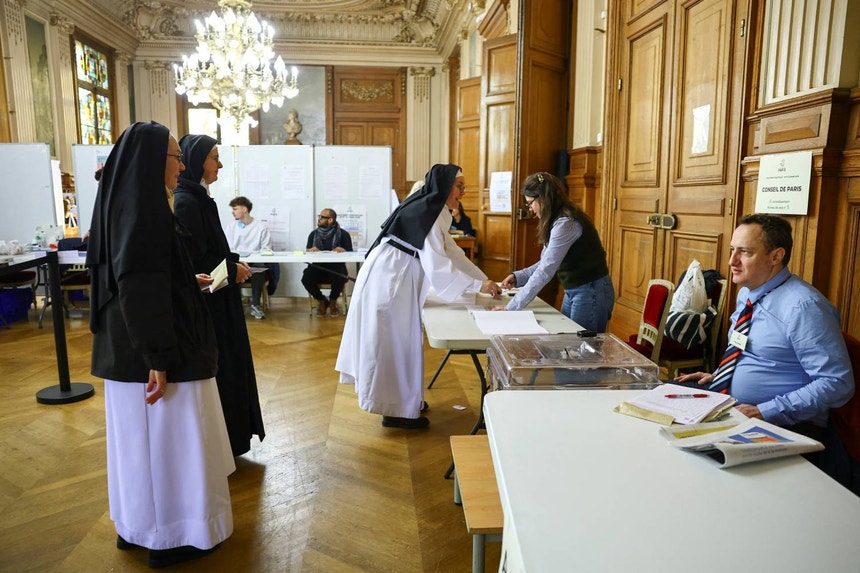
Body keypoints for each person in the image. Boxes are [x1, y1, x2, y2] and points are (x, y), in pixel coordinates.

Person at [86, 121, 233, 568]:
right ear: (154, 162)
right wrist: (159, 359)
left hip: (134, 348)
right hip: (156, 351)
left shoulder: (125, 201)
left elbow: (140, 274)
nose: (182, 165)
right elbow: (138, 284)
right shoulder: (146, 208)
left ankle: (136, 525)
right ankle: (175, 534)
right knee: (171, 444)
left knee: (138, 446)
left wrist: (182, 279)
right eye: (175, 156)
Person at [336, 164, 502, 429]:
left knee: (399, 344)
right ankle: (394, 410)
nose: (464, 191)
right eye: (459, 186)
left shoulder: (432, 210)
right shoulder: (429, 212)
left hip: (394, 277)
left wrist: (483, 281)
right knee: (393, 345)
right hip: (391, 282)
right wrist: (477, 286)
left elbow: (452, 252)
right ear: (445, 187)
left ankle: (403, 402)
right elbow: (439, 265)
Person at [675, 214, 854, 433]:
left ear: (776, 256)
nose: (732, 261)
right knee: (652, 406)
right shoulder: (747, 295)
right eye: (732, 249)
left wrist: (764, 411)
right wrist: (721, 376)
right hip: (729, 403)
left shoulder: (804, 307)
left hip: (783, 423)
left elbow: (837, 383)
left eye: (745, 252)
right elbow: (750, 353)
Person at [173, 134, 266, 457]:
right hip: (210, 305)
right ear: (197, 161)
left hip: (220, 300)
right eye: (215, 157)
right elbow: (194, 261)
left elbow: (209, 251)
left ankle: (232, 439)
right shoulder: (186, 202)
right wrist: (231, 265)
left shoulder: (197, 198)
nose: (220, 164)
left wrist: (231, 261)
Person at [498, 172, 615, 332]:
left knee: (583, 350)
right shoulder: (556, 220)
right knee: (566, 343)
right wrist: (519, 277)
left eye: (530, 203)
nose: (530, 209)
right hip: (576, 290)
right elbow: (546, 262)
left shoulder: (566, 224)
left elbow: (546, 270)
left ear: (544, 199)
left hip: (590, 290)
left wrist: (511, 308)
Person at [224, 195, 279, 319]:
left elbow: (266, 248)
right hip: (238, 261)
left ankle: (255, 305)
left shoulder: (261, 226)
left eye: (235, 209)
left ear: (244, 209)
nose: (232, 212)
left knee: (259, 268)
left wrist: (253, 257)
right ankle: (237, 306)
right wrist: (240, 260)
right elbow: (228, 248)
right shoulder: (231, 227)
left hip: (255, 262)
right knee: (232, 268)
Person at [302, 208, 353, 316]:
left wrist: (344, 251)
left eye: (322, 217)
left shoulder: (343, 234)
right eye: (319, 217)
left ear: (330, 220)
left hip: (336, 266)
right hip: (318, 266)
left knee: (339, 276)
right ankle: (321, 300)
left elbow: (351, 253)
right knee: (306, 278)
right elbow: (307, 251)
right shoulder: (313, 234)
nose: (319, 219)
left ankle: (333, 300)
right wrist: (310, 251)